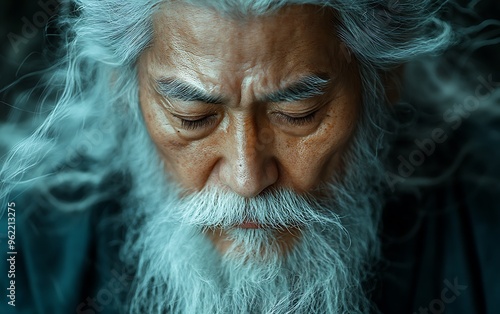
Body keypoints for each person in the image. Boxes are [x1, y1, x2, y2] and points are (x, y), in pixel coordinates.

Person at [0, 0, 499, 313]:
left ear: (384, 80)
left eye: (298, 113)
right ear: (122, 88)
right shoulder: (26, 252)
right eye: (193, 116)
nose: (246, 177)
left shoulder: (484, 242)